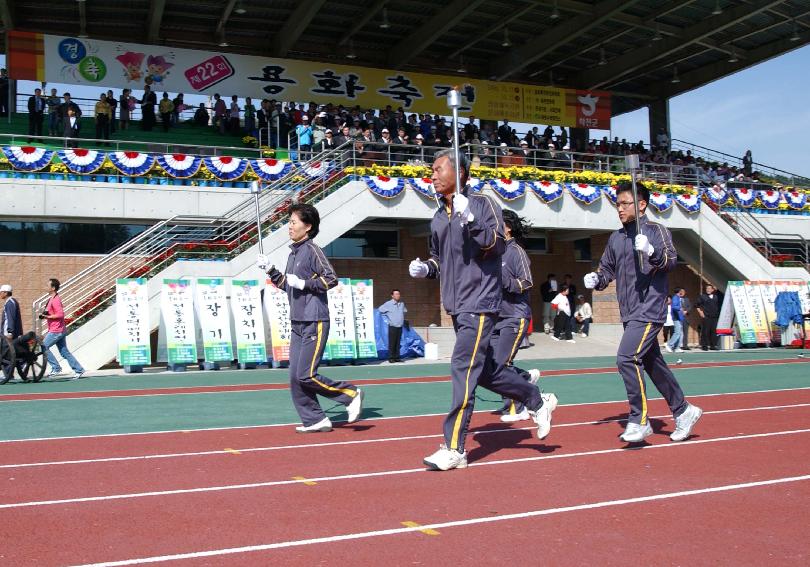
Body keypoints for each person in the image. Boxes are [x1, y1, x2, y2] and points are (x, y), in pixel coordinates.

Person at [409, 149, 554, 471]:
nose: (431, 175)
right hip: (456, 305)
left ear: (459, 173)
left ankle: (454, 447)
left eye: (437, 169)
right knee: (485, 371)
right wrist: (426, 269)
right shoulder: (437, 217)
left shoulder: (482, 204)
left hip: (480, 303)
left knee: (462, 368)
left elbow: (495, 245)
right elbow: (439, 259)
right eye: (431, 170)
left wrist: (471, 220)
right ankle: (534, 398)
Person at [583, 181, 702, 443]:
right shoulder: (616, 238)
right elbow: (607, 269)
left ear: (641, 205)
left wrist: (651, 250)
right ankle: (683, 411)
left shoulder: (656, 231)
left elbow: (670, 261)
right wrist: (597, 279)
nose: (620, 209)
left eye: (625, 204)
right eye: (617, 204)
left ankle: (639, 419)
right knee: (652, 363)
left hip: (650, 308)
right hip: (629, 310)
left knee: (626, 358)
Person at [257, 204, 364, 433]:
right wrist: (270, 270)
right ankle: (315, 419)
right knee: (296, 378)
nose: (289, 226)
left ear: (308, 226)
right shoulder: (293, 253)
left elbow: (331, 279)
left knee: (306, 374)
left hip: (314, 319)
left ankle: (350, 394)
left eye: (294, 222)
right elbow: (287, 285)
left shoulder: (313, 250)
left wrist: (305, 283)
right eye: (290, 222)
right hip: (297, 321)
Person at [494, 210, 544, 423]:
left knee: (502, 363)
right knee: (491, 364)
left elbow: (527, 282)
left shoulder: (516, 252)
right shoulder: (494, 251)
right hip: (495, 317)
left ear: (508, 227)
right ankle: (525, 378)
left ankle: (519, 406)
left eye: (497, 222)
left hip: (515, 316)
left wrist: (507, 283)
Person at [41, 278, 85, 380]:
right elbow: (52, 312)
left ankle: (56, 368)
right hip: (58, 329)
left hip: (56, 330)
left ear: (53, 288)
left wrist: (47, 317)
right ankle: (79, 370)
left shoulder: (56, 299)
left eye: (48, 286)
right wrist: (45, 315)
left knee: (43, 346)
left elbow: (60, 314)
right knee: (64, 352)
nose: (46, 287)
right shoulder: (51, 299)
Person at [378, 289, 408, 363]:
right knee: (392, 343)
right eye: (396, 294)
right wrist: (387, 319)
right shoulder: (388, 304)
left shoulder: (402, 304)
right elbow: (380, 310)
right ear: (392, 295)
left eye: (399, 294)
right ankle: (391, 358)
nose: (398, 295)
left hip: (400, 326)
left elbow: (404, 311)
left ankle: (397, 357)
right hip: (392, 326)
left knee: (398, 342)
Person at [696, 283, 723, 350]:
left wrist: (717, 289)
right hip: (706, 316)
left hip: (715, 316)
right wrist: (700, 312)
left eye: (709, 288)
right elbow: (697, 305)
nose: (708, 290)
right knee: (705, 331)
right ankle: (704, 345)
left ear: (712, 290)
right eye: (707, 288)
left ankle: (713, 345)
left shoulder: (716, 296)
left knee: (713, 331)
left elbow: (722, 295)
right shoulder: (703, 296)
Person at [667, 288, 685, 353]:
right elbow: (674, 306)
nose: (683, 292)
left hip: (679, 318)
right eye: (682, 291)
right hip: (676, 318)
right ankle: (669, 345)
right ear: (679, 291)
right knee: (677, 332)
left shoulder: (678, 298)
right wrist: (680, 308)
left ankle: (677, 347)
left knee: (681, 333)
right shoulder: (675, 298)